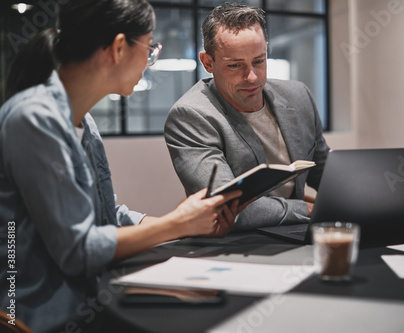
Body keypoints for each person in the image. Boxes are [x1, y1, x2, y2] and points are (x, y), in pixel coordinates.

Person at [0, 1, 245, 331]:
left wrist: (188, 223)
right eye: (149, 47)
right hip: (38, 314)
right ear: (118, 48)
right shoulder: (34, 120)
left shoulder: (83, 121)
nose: (150, 59)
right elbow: (79, 250)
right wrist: (176, 224)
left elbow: (106, 215)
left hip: (92, 296)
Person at [164, 3, 330, 231]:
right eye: (235, 65)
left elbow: (325, 172)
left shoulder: (298, 96)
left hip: (297, 232)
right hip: (237, 243)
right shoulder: (191, 116)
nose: (252, 77)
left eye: (259, 61)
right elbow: (227, 206)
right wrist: (306, 210)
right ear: (208, 62)